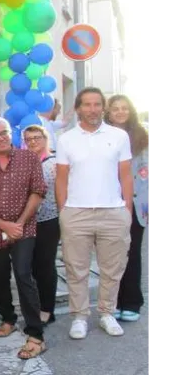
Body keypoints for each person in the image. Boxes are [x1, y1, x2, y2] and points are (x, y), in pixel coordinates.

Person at [55, 87, 133, 339]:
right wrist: (63, 211)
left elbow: (125, 175)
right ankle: (79, 316)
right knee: (76, 268)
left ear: (103, 108)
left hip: (113, 212)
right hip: (77, 213)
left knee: (112, 268)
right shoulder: (66, 139)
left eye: (97, 104)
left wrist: (127, 211)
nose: (92, 109)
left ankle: (106, 313)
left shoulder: (119, 136)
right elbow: (61, 179)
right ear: (78, 108)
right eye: (87, 105)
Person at [0, 117, 47, 359]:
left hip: (24, 228)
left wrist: (19, 224)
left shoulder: (29, 158)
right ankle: (8, 319)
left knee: (24, 274)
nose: (1, 137)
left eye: (4, 132)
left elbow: (38, 191)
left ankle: (35, 334)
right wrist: (1, 224)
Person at [105, 94, 150, 322]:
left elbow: (143, 173)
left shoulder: (141, 136)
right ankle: (112, 302)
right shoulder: (102, 136)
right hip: (108, 202)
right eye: (115, 108)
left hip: (135, 203)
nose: (120, 112)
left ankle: (131, 302)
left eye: (124, 108)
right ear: (109, 113)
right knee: (111, 255)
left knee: (132, 253)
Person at [22, 125, 61, 325]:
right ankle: (36, 306)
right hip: (28, 222)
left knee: (45, 266)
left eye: (37, 137)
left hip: (49, 220)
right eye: (28, 139)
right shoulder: (24, 163)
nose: (33, 142)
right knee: (31, 266)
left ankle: (47, 309)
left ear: (45, 139)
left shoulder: (54, 163)